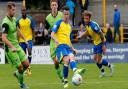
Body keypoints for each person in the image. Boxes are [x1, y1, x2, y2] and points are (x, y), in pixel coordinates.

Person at [51, 6, 85, 88]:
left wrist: (73, 49)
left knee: (72, 56)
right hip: (60, 46)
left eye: (67, 14)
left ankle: (71, 74)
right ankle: (70, 76)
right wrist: (56, 41)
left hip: (67, 46)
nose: (66, 15)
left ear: (69, 15)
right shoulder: (59, 23)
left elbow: (69, 40)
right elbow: (52, 34)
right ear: (63, 14)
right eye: (65, 14)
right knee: (66, 59)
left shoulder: (69, 26)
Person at [2, 2, 29, 88]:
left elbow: (18, 30)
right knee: (21, 68)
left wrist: (24, 39)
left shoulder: (14, 20)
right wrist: (11, 46)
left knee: (26, 64)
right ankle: (21, 84)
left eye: (15, 10)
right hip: (10, 49)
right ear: (8, 10)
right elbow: (3, 38)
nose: (14, 12)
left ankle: (17, 74)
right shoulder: (5, 23)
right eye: (13, 10)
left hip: (16, 46)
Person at [77, 10, 113, 77]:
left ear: (89, 18)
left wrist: (103, 46)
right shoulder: (86, 24)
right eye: (84, 18)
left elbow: (101, 35)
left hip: (101, 42)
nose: (85, 20)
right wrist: (81, 36)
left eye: (87, 18)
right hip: (95, 43)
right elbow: (87, 31)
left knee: (99, 61)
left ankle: (110, 66)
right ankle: (103, 72)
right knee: (95, 59)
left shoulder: (93, 25)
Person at [44, 0, 63, 82]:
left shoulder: (62, 15)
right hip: (53, 41)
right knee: (55, 62)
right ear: (50, 6)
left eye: (55, 5)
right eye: (53, 5)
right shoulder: (48, 18)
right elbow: (46, 27)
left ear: (57, 6)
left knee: (64, 58)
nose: (54, 6)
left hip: (61, 40)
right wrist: (45, 30)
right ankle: (62, 78)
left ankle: (67, 68)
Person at [16, 7, 35, 76]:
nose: (23, 12)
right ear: (21, 12)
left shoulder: (30, 19)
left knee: (29, 51)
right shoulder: (18, 20)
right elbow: (18, 31)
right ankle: (25, 69)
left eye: (24, 11)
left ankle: (28, 68)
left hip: (29, 39)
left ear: (26, 11)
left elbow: (33, 29)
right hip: (21, 41)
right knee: (23, 56)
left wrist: (33, 38)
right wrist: (17, 40)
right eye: (22, 11)